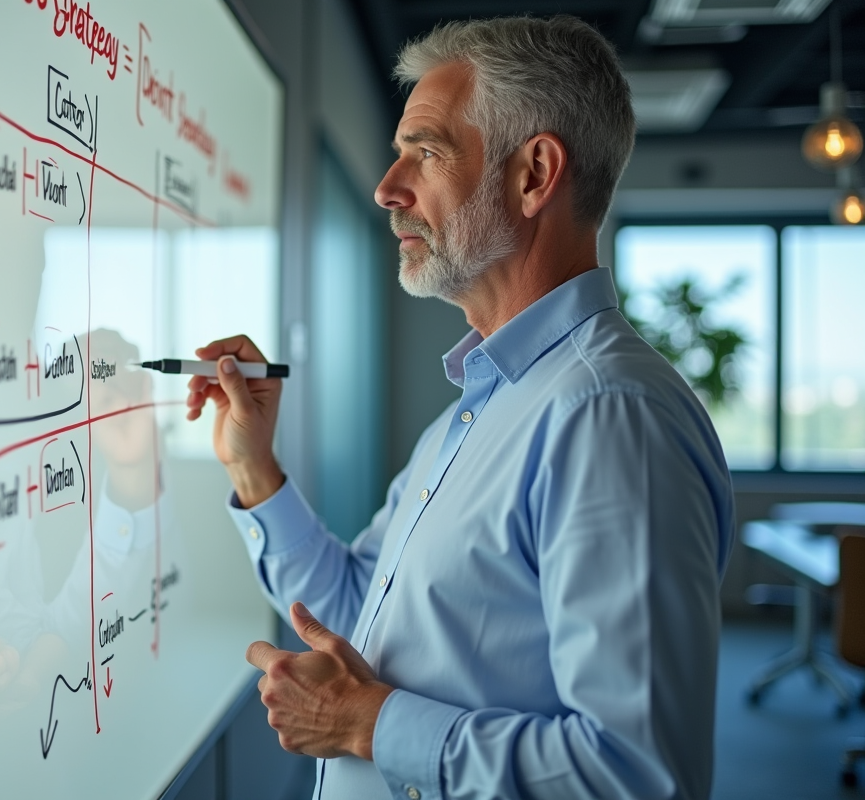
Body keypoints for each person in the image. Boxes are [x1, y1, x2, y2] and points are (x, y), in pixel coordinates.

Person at [184, 15, 734, 800]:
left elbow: (636, 774)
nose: (386, 187)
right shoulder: (476, 412)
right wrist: (254, 467)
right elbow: (359, 611)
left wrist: (370, 726)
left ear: (534, 173)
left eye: (426, 151)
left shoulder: (609, 416)